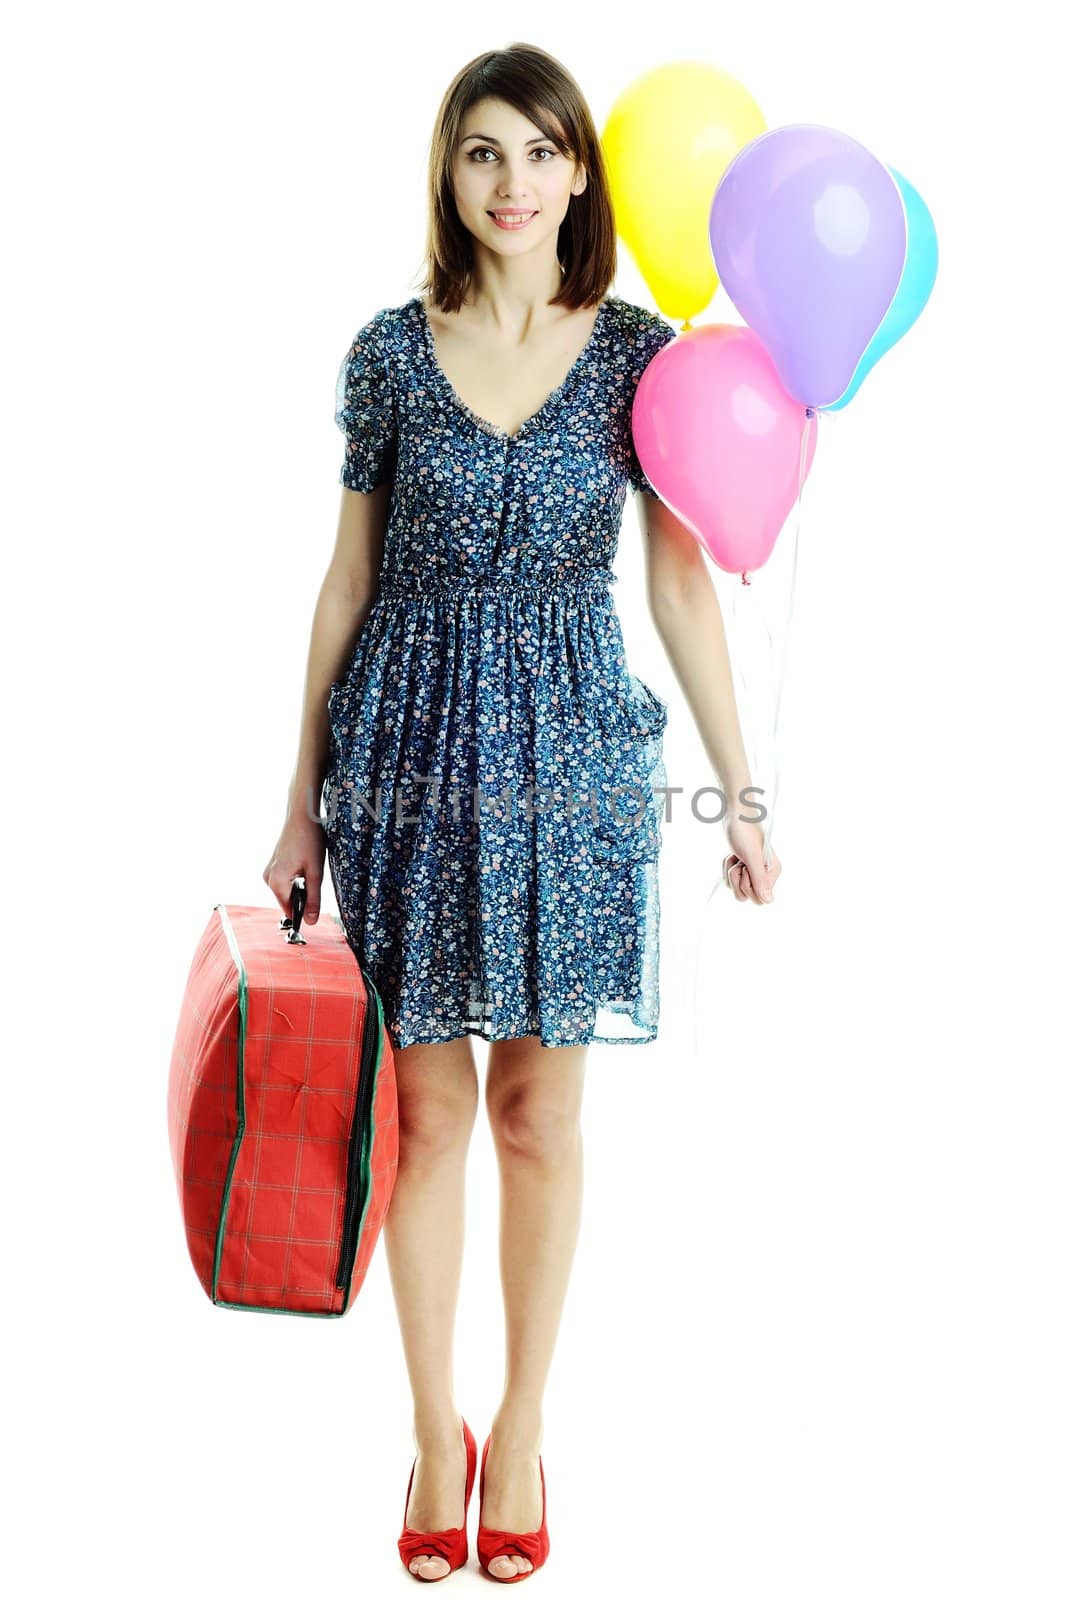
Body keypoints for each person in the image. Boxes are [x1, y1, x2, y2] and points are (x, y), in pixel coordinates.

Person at [263, 41, 780, 1585]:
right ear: (450, 173)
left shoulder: (634, 360)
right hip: (407, 755)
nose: (511, 183)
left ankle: (526, 1426)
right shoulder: (383, 352)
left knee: (536, 1116)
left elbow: (678, 582)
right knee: (423, 1118)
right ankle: (434, 1433)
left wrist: (741, 791)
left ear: (580, 176)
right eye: (481, 153)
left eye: (540, 153)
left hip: (570, 759)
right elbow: (346, 583)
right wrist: (296, 805)